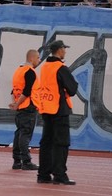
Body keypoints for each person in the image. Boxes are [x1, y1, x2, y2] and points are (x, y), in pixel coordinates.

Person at [35, 40, 78, 185]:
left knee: (46, 142)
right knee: (61, 143)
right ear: (59, 50)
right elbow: (72, 89)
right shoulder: (61, 68)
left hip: (46, 108)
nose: (65, 51)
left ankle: (43, 174)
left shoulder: (45, 66)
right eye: (64, 48)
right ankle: (60, 174)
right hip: (59, 109)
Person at [9, 49, 41, 170]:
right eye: (38, 58)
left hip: (21, 107)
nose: (39, 60)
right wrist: (17, 104)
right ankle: (26, 161)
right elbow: (27, 92)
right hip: (28, 106)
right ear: (31, 58)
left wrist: (15, 103)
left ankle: (17, 161)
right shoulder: (30, 72)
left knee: (19, 133)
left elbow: (14, 90)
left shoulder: (18, 70)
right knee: (25, 134)